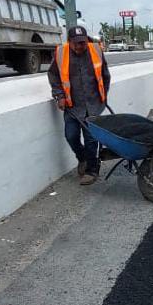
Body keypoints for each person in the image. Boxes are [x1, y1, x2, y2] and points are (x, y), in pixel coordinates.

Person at [48, 26, 111, 186]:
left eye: (82, 42)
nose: (80, 46)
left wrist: (103, 98)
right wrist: (59, 95)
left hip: (93, 104)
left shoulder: (95, 51)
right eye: (76, 43)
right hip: (72, 105)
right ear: (69, 42)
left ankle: (92, 169)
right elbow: (53, 75)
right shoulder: (61, 54)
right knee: (71, 136)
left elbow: (105, 75)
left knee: (91, 139)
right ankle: (82, 158)